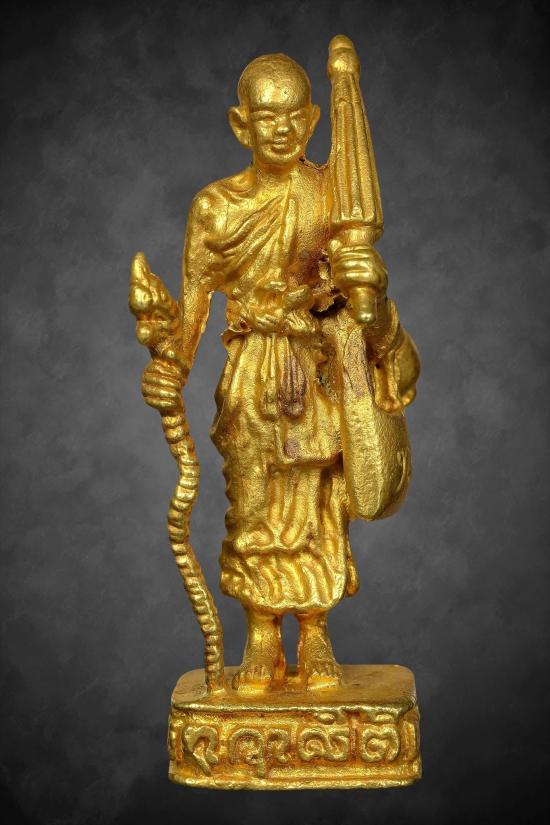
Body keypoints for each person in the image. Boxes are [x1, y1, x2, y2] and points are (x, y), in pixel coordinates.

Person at [139, 53, 419, 691]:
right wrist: (170, 366)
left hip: (316, 370)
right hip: (252, 376)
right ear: (241, 124)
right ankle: (261, 635)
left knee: (317, 504)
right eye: (267, 116)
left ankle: (315, 633)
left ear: (314, 119)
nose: (282, 128)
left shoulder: (331, 194)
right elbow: (192, 315)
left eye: (294, 115)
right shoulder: (216, 209)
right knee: (253, 504)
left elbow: (355, 303)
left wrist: (367, 296)